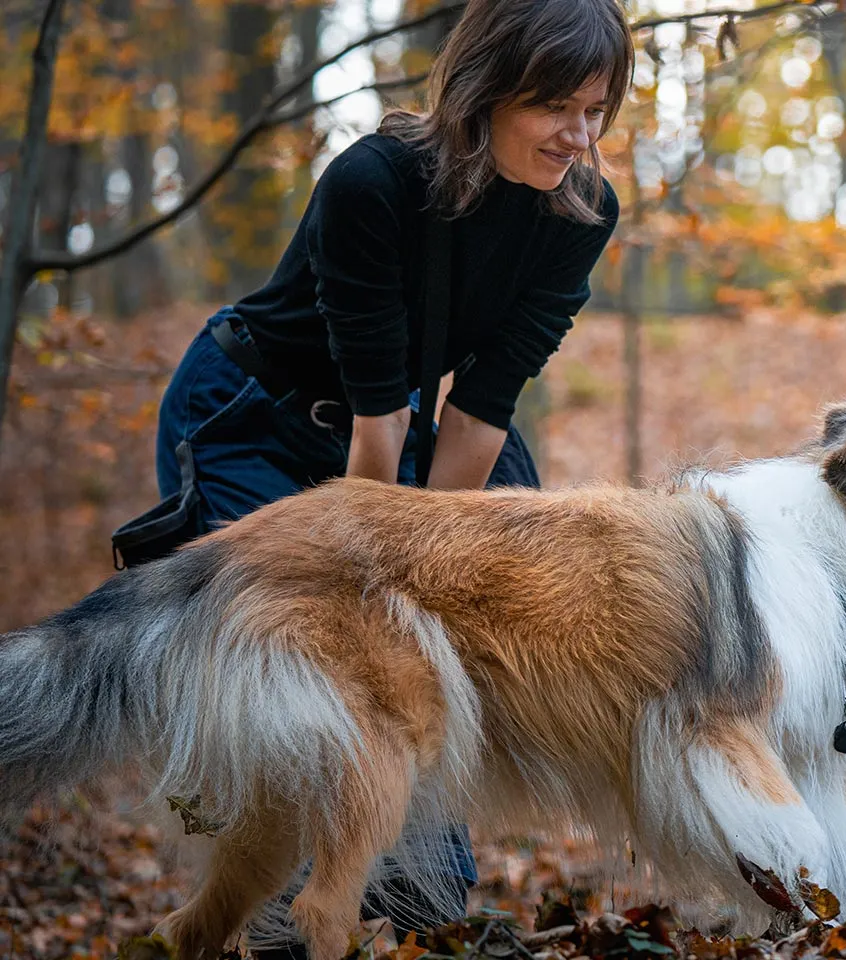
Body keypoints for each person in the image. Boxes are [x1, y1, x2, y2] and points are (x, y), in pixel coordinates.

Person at [125, 0, 630, 948]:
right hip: (256, 418)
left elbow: (482, 406)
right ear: (485, 90)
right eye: (556, 106)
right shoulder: (372, 181)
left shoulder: (582, 210)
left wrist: (423, 579)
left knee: (415, 668)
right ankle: (270, 921)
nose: (581, 135)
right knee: (302, 677)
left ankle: (413, 898)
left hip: (415, 430)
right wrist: (376, 583)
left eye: (597, 109)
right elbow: (377, 423)